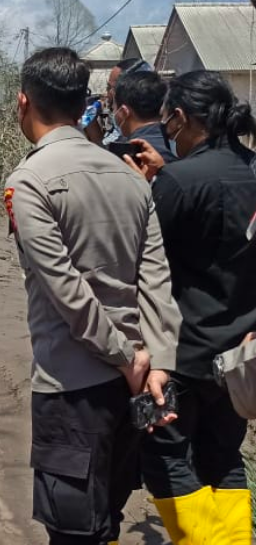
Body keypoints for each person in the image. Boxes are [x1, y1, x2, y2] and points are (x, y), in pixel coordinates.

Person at [5, 47, 180, 545]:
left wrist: (124, 358)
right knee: (108, 519)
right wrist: (158, 362)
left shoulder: (30, 182)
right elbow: (155, 280)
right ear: (84, 105)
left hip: (72, 386)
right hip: (135, 387)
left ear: (23, 102)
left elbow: (66, 290)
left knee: (74, 532)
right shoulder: (130, 178)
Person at [126, 70, 256, 543]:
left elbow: (144, 260)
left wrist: (147, 189)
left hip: (181, 354)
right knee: (223, 457)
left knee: (166, 458)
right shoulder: (250, 170)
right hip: (240, 355)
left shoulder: (178, 182)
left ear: (179, 117)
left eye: (167, 121)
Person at [112, 70, 177, 164]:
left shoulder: (129, 154)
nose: (113, 112)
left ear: (123, 112)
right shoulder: (179, 145)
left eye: (113, 106)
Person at [85, 58, 153, 146]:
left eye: (110, 88)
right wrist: (91, 121)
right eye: (107, 87)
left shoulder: (135, 134)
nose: (107, 94)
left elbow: (106, 152)